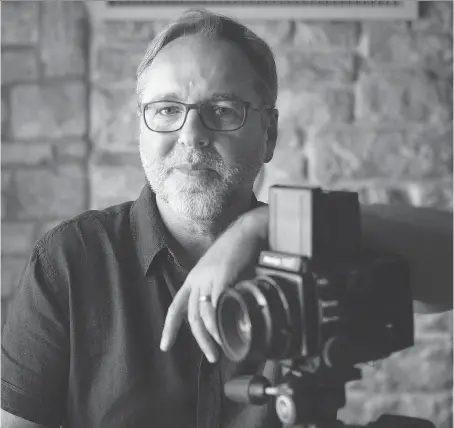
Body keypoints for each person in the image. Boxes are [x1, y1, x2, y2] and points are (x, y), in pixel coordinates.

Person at [1, 9, 452, 428]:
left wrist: (263, 228)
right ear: (141, 129)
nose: (191, 136)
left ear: (268, 134)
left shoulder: (313, 251)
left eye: (221, 110)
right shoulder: (67, 260)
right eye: (167, 110)